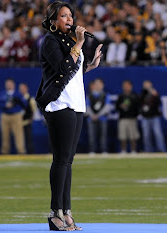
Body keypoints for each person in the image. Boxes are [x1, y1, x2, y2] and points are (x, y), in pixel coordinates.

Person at [35, 1, 103, 231]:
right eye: (64, 16)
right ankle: (56, 213)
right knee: (61, 159)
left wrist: (90, 66)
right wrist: (81, 43)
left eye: (70, 16)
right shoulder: (50, 41)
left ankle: (67, 212)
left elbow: (74, 71)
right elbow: (63, 68)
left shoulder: (70, 41)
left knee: (68, 160)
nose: (69, 19)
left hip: (76, 104)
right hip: (59, 104)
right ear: (53, 21)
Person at [0, 78, 27, 154]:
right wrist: (5, 105)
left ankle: (21, 151)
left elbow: (25, 104)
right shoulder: (2, 93)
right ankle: (4, 151)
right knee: (5, 135)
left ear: (13, 85)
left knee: (18, 134)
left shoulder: (18, 94)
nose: (8, 85)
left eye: (10, 84)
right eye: (7, 84)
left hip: (16, 115)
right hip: (5, 115)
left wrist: (18, 101)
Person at [86, 78, 111, 153]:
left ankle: (104, 150)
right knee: (91, 136)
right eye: (96, 84)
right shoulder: (89, 96)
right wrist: (92, 115)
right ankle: (92, 150)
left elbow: (107, 107)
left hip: (102, 118)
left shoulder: (105, 95)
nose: (97, 86)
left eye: (99, 84)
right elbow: (87, 107)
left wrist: (98, 115)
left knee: (103, 135)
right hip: (91, 118)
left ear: (102, 85)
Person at [140, 80, 166, 152]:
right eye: (145, 85)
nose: (147, 86)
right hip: (145, 117)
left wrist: (155, 95)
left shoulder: (154, 93)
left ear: (151, 85)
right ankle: (148, 150)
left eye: (148, 85)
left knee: (158, 134)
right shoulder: (142, 93)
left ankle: (161, 149)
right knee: (146, 135)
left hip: (154, 116)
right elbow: (140, 104)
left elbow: (159, 102)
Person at [115, 80, 140, 154]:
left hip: (132, 118)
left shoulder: (134, 96)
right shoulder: (121, 96)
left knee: (133, 136)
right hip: (122, 118)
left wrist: (135, 114)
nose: (126, 87)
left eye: (127, 85)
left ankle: (133, 150)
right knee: (122, 136)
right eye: (124, 86)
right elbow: (116, 107)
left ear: (131, 86)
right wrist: (121, 106)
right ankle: (123, 150)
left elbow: (138, 107)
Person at [19, 83, 37, 154]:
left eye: (23, 89)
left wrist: (30, 119)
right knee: (20, 139)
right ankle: (22, 152)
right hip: (18, 122)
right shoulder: (18, 98)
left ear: (26, 89)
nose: (22, 90)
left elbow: (33, 110)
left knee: (28, 138)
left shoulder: (30, 99)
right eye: (20, 89)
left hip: (27, 121)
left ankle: (30, 153)